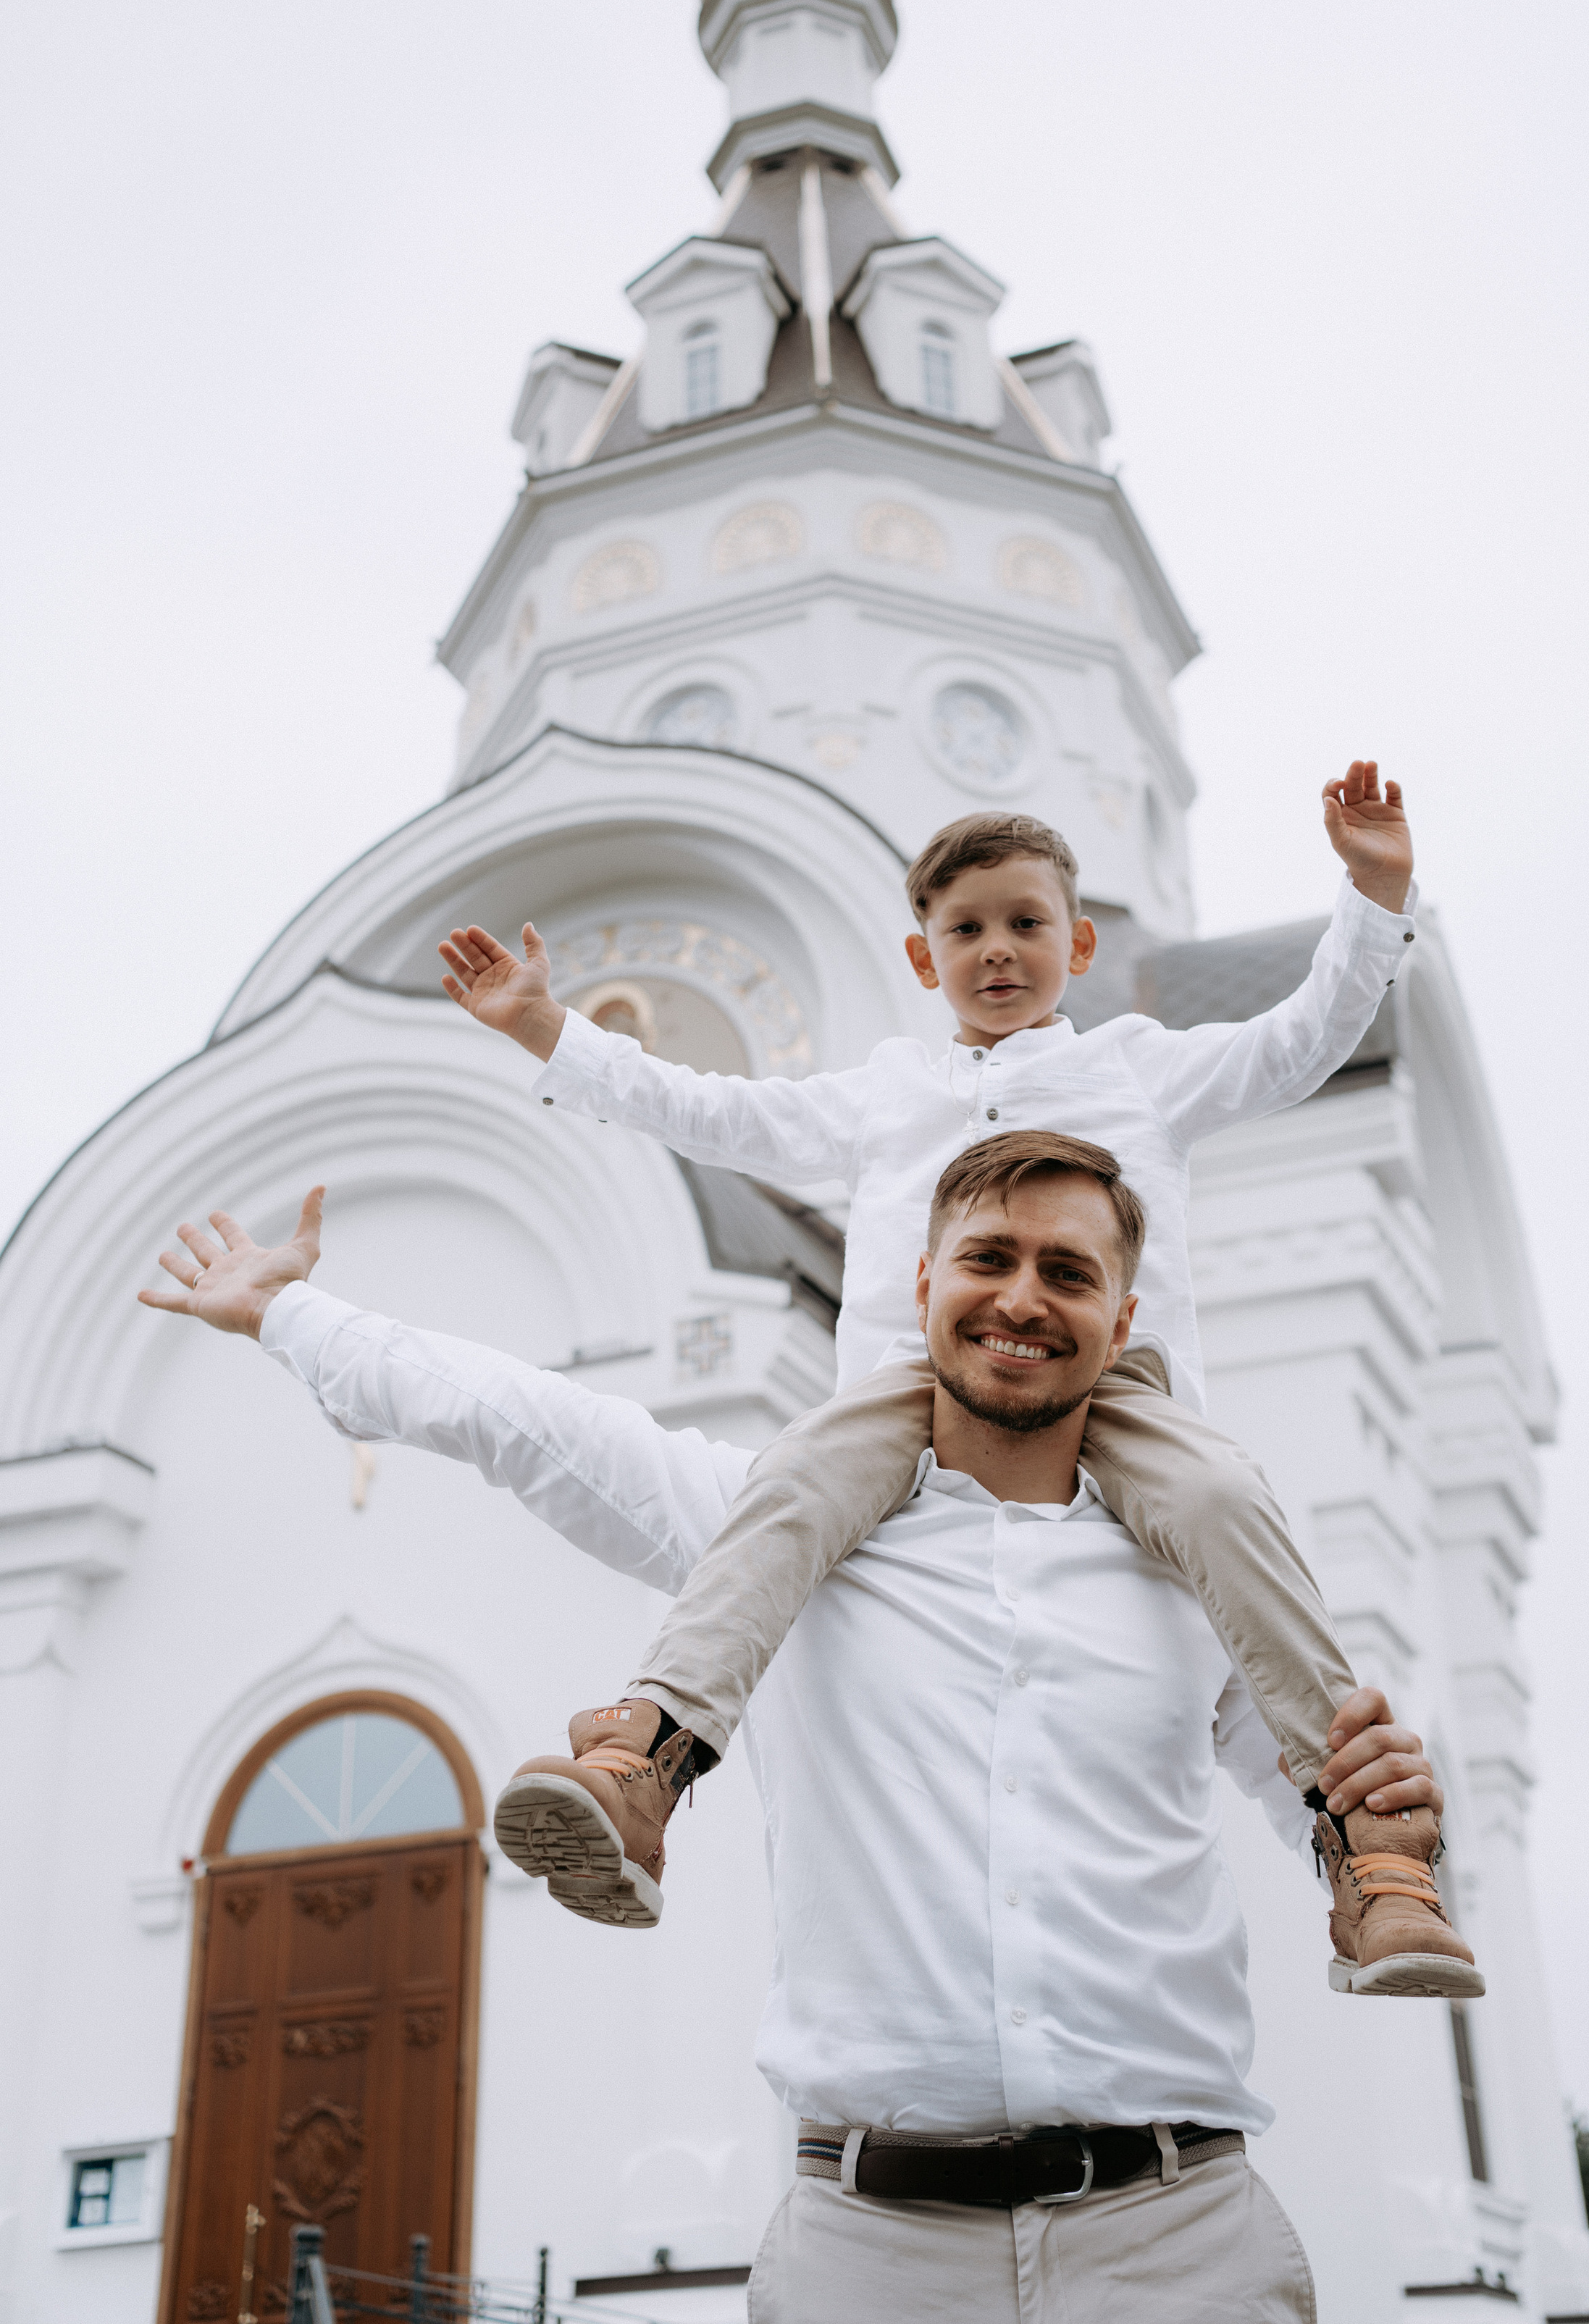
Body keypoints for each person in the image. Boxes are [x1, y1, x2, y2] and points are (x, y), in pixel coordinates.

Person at [142, 1142, 1459, 2322]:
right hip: (870, 2251)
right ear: (924, 1278)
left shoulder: (1193, 1572)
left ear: (1120, 1320)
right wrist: (291, 1315)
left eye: (1067, 1271)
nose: (1020, 1299)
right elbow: (527, 1421)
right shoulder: (778, 1525)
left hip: (1174, 2241)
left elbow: (1306, 1787)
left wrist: (1378, 1810)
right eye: (990, 1259)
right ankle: (644, 1769)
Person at [435, 771, 1475, 2000]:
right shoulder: (888, 1097)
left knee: (1226, 1507)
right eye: (967, 929)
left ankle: (1370, 1855)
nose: (998, 951)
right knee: (789, 1492)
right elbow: (715, 1111)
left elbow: (1300, 1039)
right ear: (924, 962)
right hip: (909, 1391)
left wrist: (1372, 895)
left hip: (1113, 1387)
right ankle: (650, 1757)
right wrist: (553, 1031)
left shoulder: (1141, 1070)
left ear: (1077, 943)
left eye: (1026, 924)